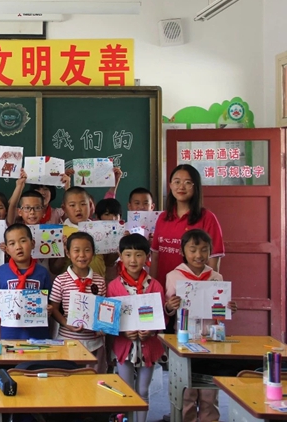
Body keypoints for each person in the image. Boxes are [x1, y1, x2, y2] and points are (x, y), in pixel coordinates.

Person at [165, 229, 237, 422]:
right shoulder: (174, 276)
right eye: (193, 249)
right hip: (185, 340)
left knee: (209, 390)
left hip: (212, 341)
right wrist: (170, 306)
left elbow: (221, 309)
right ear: (183, 251)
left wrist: (229, 308)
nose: (199, 255)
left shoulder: (216, 277)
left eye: (204, 250)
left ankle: (209, 419)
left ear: (210, 251)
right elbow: (168, 308)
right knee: (186, 391)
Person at [107, 234, 168, 422]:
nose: (133, 260)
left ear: (147, 256)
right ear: (120, 256)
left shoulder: (155, 286)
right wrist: (123, 331)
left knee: (143, 390)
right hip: (124, 345)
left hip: (148, 346)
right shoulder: (113, 287)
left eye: (139, 255)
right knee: (126, 390)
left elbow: (161, 316)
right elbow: (110, 319)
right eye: (128, 255)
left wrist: (151, 331)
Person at [151, 164, 224, 292]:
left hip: (194, 292)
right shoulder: (163, 217)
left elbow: (213, 260)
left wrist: (209, 292)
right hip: (164, 289)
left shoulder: (207, 218)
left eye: (188, 183)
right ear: (170, 185)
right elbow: (156, 257)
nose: (181, 187)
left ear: (195, 186)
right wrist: (152, 290)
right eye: (177, 182)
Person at [49, 231, 107, 373]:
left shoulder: (99, 281)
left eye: (87, 250)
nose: (82, 255)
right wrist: (66, 324)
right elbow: (54, 308)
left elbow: (104, 309)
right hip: (68, 340)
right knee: (68, 379)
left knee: (93, 379)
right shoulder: (60, 280)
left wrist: (102, 326)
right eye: (76, 250)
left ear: (93, 253)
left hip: (94, 342)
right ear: (68, 253)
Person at [0, 223, 52, 340]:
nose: (18, 247)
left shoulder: (43, 273)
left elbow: (49, 299)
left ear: (32, 244)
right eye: (12, 243)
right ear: (7, 249)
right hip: (8, 333)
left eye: (23, 241)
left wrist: (49, 309)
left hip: (37, 335)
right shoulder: (0, 272)